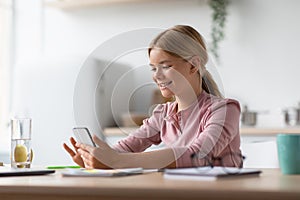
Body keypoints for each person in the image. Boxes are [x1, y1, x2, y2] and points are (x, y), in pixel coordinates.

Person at [63, 25, 242, 169]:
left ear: (194, 65)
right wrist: (96, 158)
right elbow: (126, 149)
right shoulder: (162, 114)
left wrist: (116, 161)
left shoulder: (225, 110)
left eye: (165, 66)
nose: (157, 76)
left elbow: (198, 155)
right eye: (153, 68)